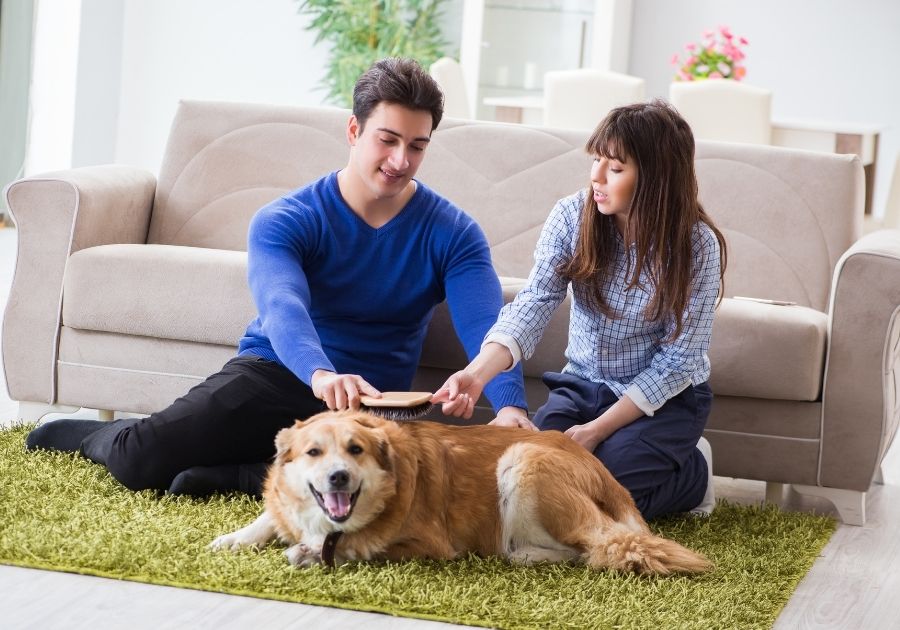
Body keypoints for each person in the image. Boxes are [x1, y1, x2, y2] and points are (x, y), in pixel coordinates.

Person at [26, 57, 530, 496]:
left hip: (370, 404)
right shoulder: (287, 218)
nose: (401, 161)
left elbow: (488, 324)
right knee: (141, 460)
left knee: (389, 484)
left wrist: (508, 406)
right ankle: (98, 434)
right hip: (276, 373)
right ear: (354, 132)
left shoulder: (454, 232)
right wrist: (322, 374)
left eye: (417, 146)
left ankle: (241, 476)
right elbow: (281, 305)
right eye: (388, 140)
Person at [432, 100, 727, 520]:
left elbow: (678, 363)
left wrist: (595, 431)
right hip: (585, 384)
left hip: (667, 400)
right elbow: (534, 303)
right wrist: (476, 374)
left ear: (657, 177)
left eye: (616, 168)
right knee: (528, 482)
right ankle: (645, 456)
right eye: (596, 160)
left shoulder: (698, 245)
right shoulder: (572, 216)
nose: (597, 176)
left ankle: (694, 474)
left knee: (606, 497)